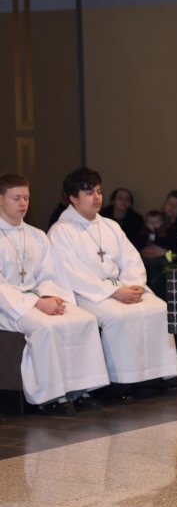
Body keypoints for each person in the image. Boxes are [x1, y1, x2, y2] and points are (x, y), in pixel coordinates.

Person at [48, 168, 177, 401]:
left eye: (99, 192)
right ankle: (121, 382)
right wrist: (114, 292)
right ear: (73, 198)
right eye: (89, 193)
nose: (97, 198)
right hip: (89, 294)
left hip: (122, 287)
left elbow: (131, 259)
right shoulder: (61, 231)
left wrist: (133, 285)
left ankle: (158, 375)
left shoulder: (110, 225)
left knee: (159, 308)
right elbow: (72, 273)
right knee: (118, 317)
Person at [0, 173, 109, 416]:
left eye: (27, 198)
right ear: (0, 199)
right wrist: (36, 302)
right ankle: (49, 397)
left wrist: (51, 298)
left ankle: (81, 390)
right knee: (45, 328)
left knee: (84, 319)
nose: (23, 203)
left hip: (38, 299)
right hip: (9, 307)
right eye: (16, 198)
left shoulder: (36, 235)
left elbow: (49, 274)